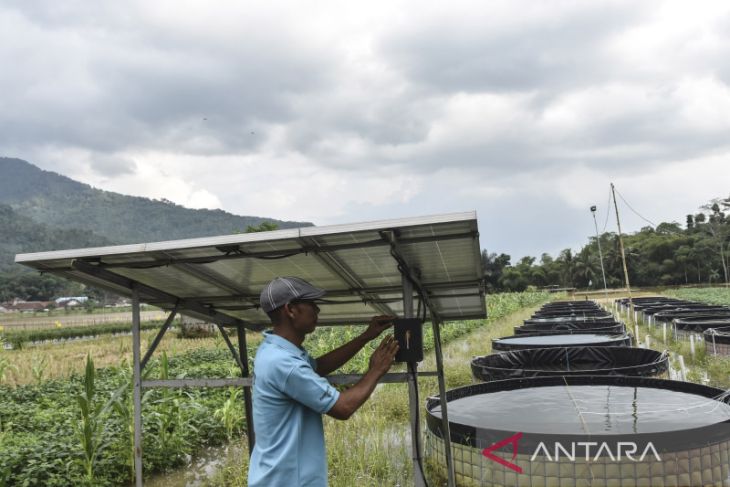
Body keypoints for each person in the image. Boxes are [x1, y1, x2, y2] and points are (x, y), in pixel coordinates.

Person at [248, 276, 399, 487]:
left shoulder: (275, 350)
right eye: (311, 303)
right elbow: (343, 407)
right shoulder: (283, 363)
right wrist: (376, 370)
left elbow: (318, 367)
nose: (317, 310)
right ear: (291, 309)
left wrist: (366, 336)